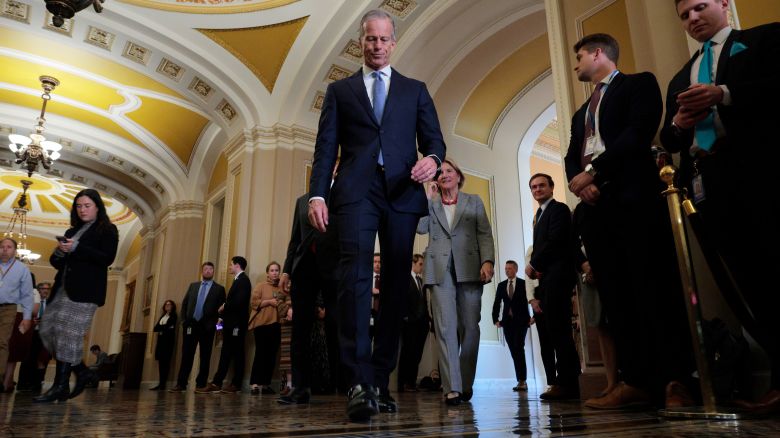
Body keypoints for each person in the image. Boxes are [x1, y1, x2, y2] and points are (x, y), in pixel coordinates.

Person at [307, 8, 446, 421]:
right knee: (354, 279)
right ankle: (357, 380)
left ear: (394, 43)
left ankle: (380, 378)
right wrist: (317, 194)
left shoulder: (415, 89)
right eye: (371, 39)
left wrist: (434, 160)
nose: (378, 45)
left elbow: (434, 139)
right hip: (356, 192)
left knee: (398, 286)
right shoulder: (340, 91)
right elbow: (325, 149)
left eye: (385, 39)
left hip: (402, 192)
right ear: (360, 41)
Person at [660, 0, 780, 413]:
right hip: (707, 185)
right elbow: (668, 140)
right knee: (746, 282)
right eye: (684, 15)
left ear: (724, 4)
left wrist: (724, 94)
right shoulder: (680, 75)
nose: (692, 18)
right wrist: (678, 124)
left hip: (759, 175)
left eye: (699, 7)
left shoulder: (764, 39)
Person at [564, 33, 691, 409]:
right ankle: (634, 382)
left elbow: (637, 135)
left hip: (634, 202)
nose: (576, 65)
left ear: (599, 54)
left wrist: (596, 173)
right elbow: (574, 156)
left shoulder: (639, 85)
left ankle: (675, 381)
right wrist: (580, 184)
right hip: (596, 211)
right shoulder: (579, 113)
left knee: (653, 288)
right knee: (617, 298)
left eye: (580, 57)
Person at [417, 159, 495, 405]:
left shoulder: (474, 201)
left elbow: (484, 233)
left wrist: (488, 262)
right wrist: (428, 199)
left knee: (470, 328)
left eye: (449, 171)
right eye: (440, 173)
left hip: (470, 268)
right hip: (439, 271)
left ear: (459, 176)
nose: (444, 175)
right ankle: (452, 387)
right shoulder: (432, 204)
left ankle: (465, 382)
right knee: (446, 327)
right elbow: (420, 228)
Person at [34, 189, 119, 402]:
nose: (82, 210)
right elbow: (57, 262)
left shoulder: (108, 229)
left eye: (87, 205)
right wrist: (60, 252)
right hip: (62, 288)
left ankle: (60, 385)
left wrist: (78, 248)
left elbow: (107, 258)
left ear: (97, 207)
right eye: (79, 206)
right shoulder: (72, 231)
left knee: (69, 333)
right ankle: (82, 371)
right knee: (47, 329)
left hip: (86, 291)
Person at [278, 191, 341, 405]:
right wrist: (287, 270)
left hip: (334, 267)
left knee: (337, 325)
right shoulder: (303, 200)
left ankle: (342, 385)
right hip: (304, 267)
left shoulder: (344, 194)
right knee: (300, 329)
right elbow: (295, 238)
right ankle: (300, 387)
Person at [525, 174, 580, 401]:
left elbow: (556, 241)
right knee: (554, 331)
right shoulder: (539, 215)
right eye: (533, 187)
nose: (537, 189)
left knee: (560, 330)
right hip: (547, 278)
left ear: (551, 187)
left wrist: (534, 263)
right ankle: (565, 381)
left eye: (541, 185)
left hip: (559, 276)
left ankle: (569, 383)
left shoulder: (558, 209)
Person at [169, 262, 226, 393]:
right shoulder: (193, 286)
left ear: (213, 272)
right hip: (191, 325)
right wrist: (184, 321)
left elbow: (222, 311)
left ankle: (201, 384)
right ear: (202, 271)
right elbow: (184, 304)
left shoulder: (219, 289)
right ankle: (181, 383)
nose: (208, 271)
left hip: (208, 327)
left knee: (205, 356)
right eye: (205, 269)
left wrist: (218, 329)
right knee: (187, 355)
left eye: (210, 269)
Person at [200, 256, 251, 393]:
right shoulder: (237, 281)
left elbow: (239, 301)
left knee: (237, 354)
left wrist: (224, 307)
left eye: (231, 264)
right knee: (226, 353)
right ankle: (217, 383)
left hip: (237, 325)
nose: (229, 267)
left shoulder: (243, 281)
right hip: (229, 324)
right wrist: (221, 320)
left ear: (237, 266)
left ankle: (235, 384)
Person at [0, 239, 34, 393]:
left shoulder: (22, 269)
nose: (5, 249)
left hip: (8, 309)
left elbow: (27, 295)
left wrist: (27, 317)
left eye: (9, 247)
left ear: (15, 250)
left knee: (2, 343)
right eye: (2, 247)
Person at [492, 261, 530, 392]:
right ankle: (520, 380)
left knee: (519, 347)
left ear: (515, 269)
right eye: (505, 268)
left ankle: (523, 380)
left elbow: (530, 299)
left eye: (509, 268)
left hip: (522, 322)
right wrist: (495, 319)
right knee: (514, 351)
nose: (507, 271)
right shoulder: (502, 285)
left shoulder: (523, 284)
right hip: (507, 323)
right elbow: (497, 302)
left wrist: (533, 317)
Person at [248, 262, 282, 395]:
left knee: (272, 355)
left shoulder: (282, 287)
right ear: (267, 273)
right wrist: (268, 302)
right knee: (261, 354)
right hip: (262, 324)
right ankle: (255, 384)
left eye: (276, 270)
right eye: (272, 270)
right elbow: (254, 302)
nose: (274, 273)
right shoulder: (261, 286)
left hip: (277, 324)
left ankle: (266, 384)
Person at [397, 254, 430, 392]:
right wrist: (405, 317)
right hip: (409, 323)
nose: (422, 267)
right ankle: (403, 383)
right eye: (420, 264)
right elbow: (401, 299)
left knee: (417, 354)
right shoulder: (405, 279)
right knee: (407, 352)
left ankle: (411, 382)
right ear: (413, 264)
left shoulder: (421, 281)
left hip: (422, 324)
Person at [17, 281, 52, 392]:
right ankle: (23, 383)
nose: (45, 291)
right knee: (27, 358)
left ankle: (36, 383)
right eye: (43, 288)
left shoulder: (52, 303)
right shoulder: (31, 301)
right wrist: (33, 322)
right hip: (31, 333)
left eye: (47, 289)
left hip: (44, 335)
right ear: (38, 290)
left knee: (42, 359)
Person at [151, 300, 177, 390]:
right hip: (161, 342)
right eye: (166, 304)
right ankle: (160, 383)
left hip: (168, 342)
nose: (167, 305)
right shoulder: (163, 316)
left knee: (166, 363)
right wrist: (164, 327)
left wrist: (163, 328)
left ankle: (163, 384)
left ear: (172, 306)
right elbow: (155, 328)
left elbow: (170, 328)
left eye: (169, 304)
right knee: (161, 363)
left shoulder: (173, 316)